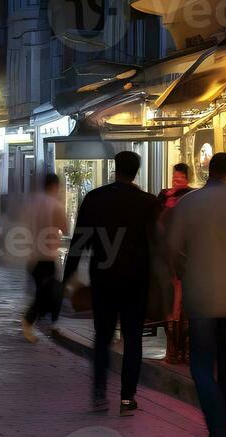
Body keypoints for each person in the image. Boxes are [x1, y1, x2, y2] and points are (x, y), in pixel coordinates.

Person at [166, 152, 226, 437]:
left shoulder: (188, 203)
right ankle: (220, 425)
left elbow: (172, 248)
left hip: (201, 292)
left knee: (202, 363)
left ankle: (217, 428)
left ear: (209, 171)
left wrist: (185, 270)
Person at [64, 150, 160, 413]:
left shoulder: (95, 199)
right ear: (137, 171)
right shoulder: (148, 203)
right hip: (136, 280)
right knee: (133, 339)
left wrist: (67, 276)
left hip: (104, 278)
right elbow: (157, 245)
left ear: (115, 168)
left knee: (103, 336)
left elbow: (79, 242)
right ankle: (128, 397)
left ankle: (99, 394)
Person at [21, 173, 70, 342]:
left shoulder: (31, 203)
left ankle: (37, 319)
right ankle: (30, 319)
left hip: (32, 256)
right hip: (47, 256)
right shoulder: (55, 205)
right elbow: (65, 227)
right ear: (53, 186)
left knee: (42, 291)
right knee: (48, 293)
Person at [157, 163, 194, 363]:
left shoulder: (191, 196)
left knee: (182, 302)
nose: (176, 181)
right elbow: (157, 221)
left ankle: (183, 350)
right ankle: (172, 350)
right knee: (170, 301)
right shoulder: (163, 196)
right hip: (166, 256)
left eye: (180, 178)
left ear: (187, 179)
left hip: (183, 256)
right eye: (174, 177)